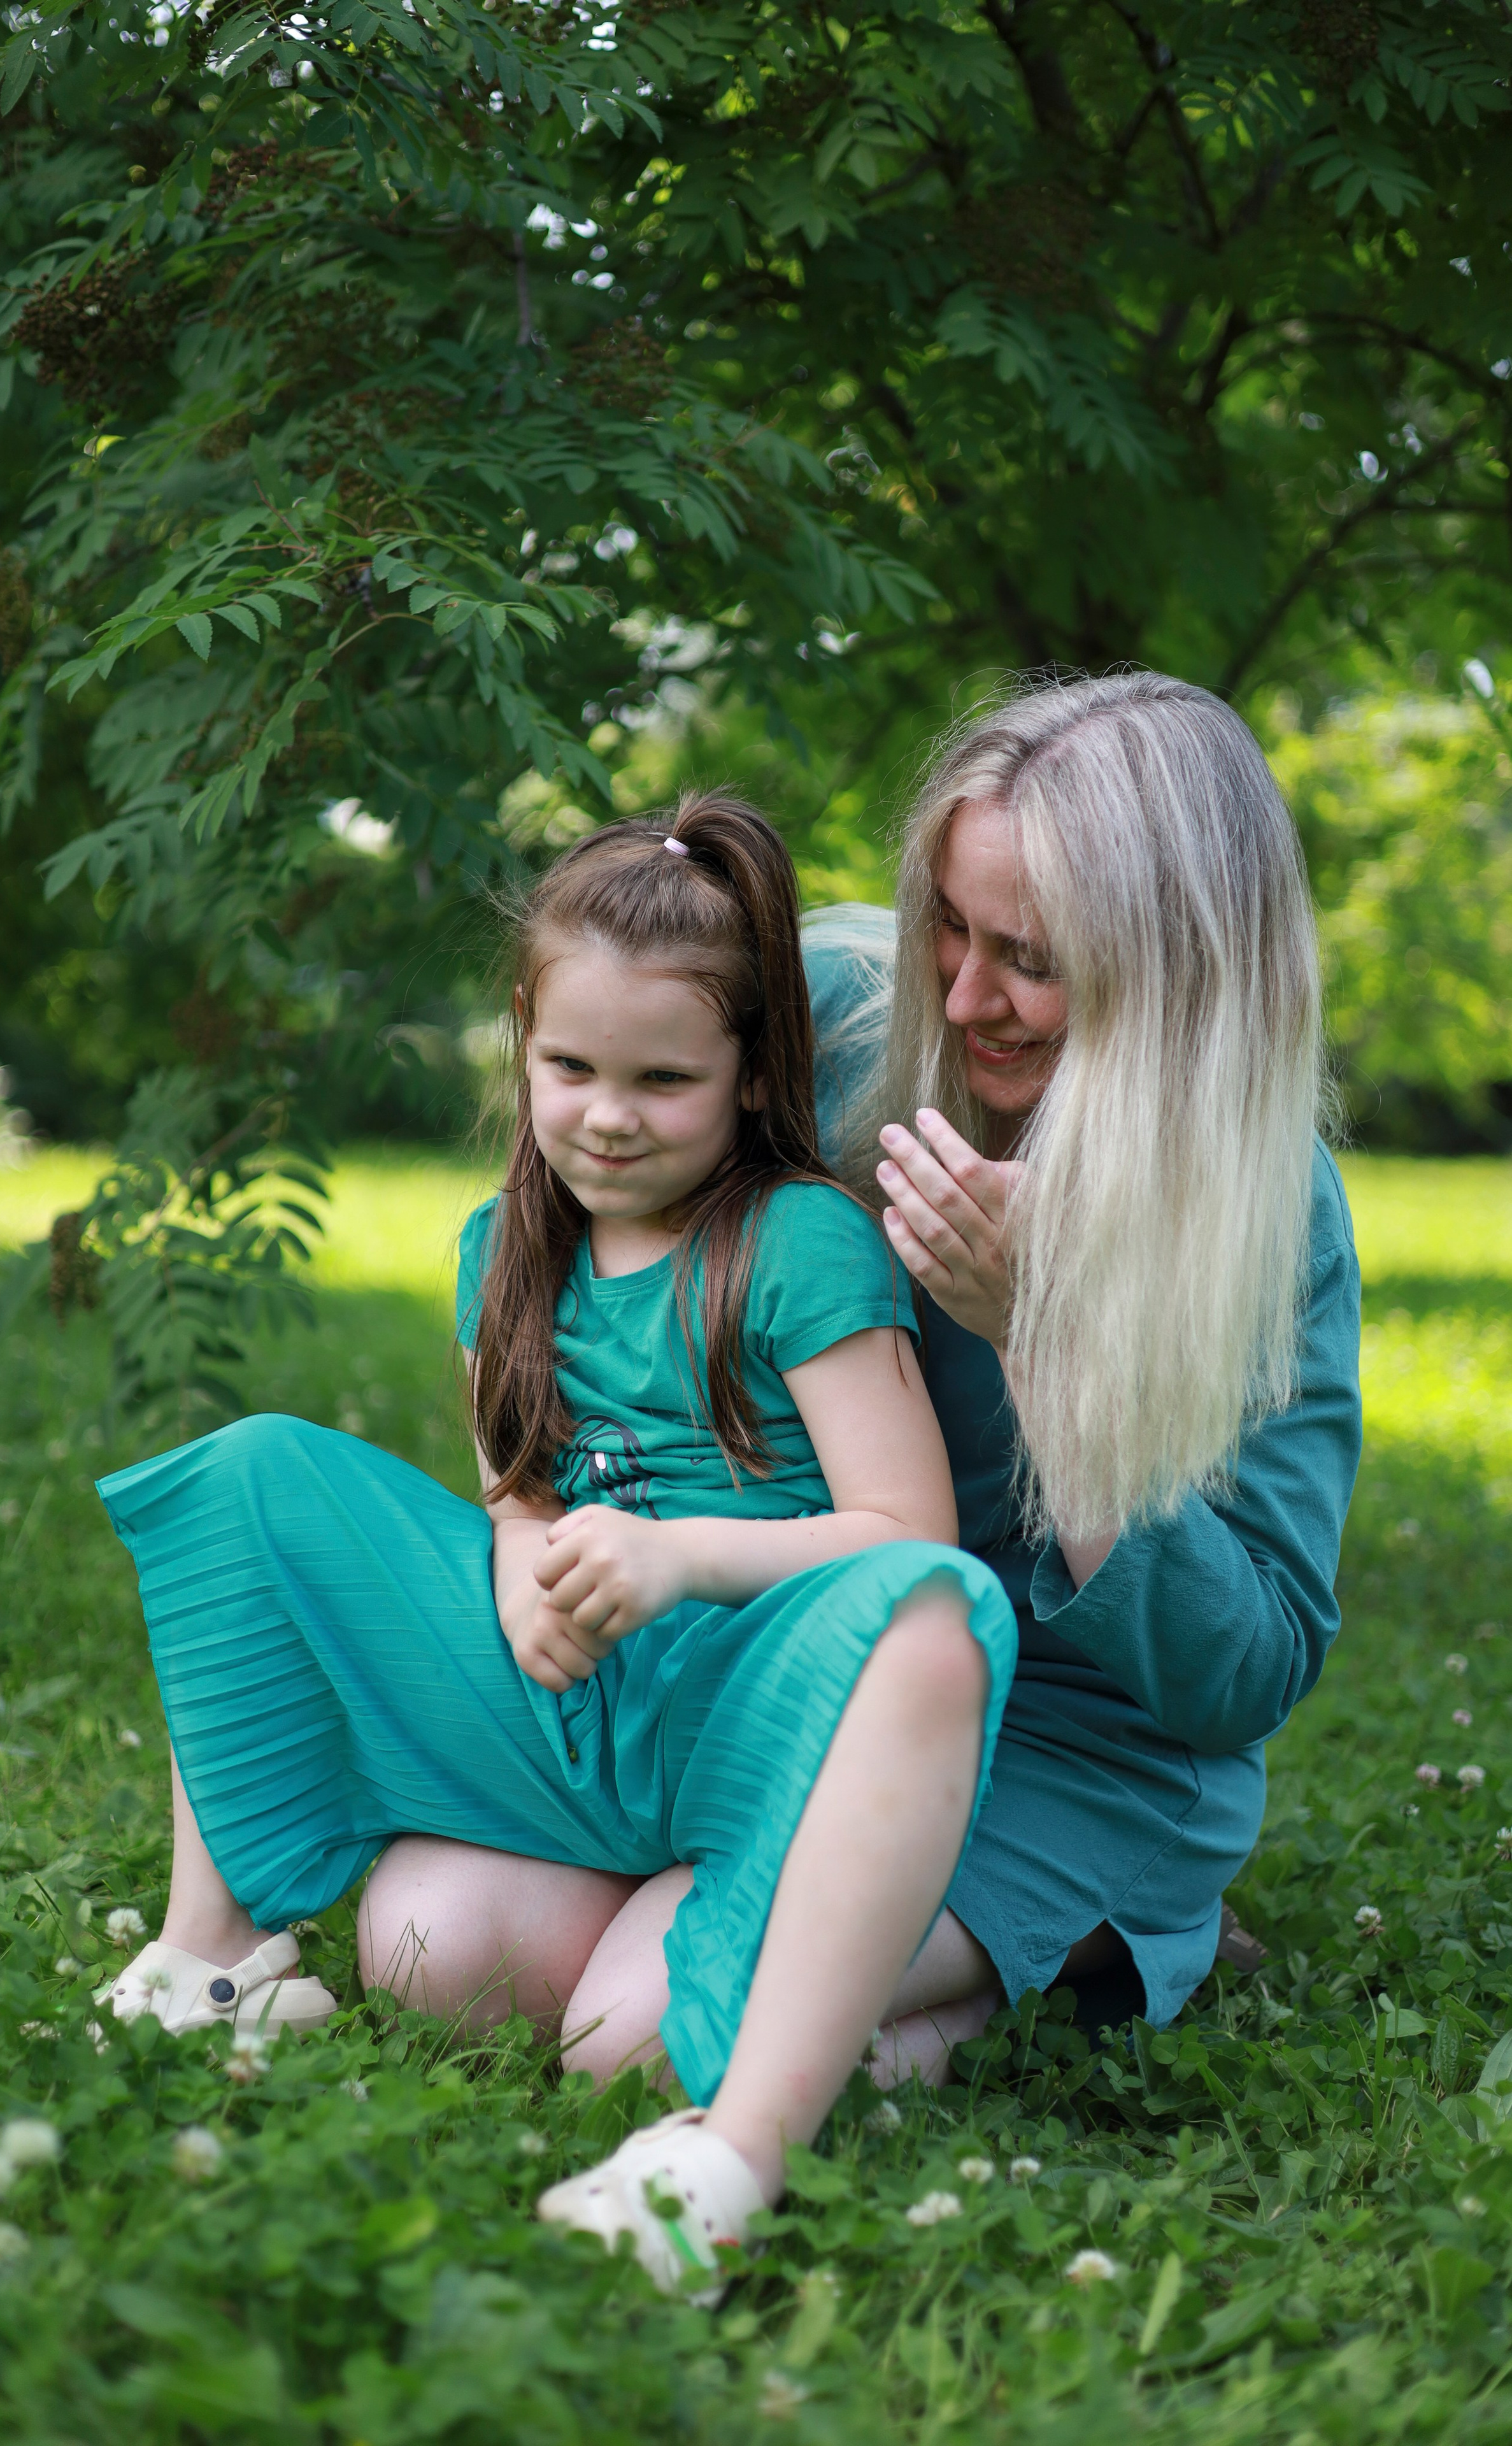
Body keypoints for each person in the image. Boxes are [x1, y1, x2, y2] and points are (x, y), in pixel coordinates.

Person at [96, 793, 1018, 2299]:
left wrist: (680, 1561)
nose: (606, 1112)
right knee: (257, 1478)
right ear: (520, 1046)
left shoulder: (796, 1241)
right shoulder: (502, 1250)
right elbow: (515, 1488)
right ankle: (211, 1953)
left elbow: (909, 1534)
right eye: (569, 1066)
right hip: (567, 1710)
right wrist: (524, 1553)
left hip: (742, 1724)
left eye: (663, 1079)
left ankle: (773, 2118)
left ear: (746, 1076)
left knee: (623, 2042)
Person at [394, 670, 1362, 2091]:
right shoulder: (843, 1018)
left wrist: (1042, 1346)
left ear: (1175, 974)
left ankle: (1104, 1925)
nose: (964, 994)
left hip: (1065, 1741)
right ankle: (842, 1935)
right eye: (946, 927)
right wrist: (537, 1530)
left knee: (642, 2042)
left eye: (1028, 956)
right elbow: (585, 1139)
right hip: (772, 1674)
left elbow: (1242, 1673)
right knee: (443, 1957)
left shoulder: (1266, 1214)